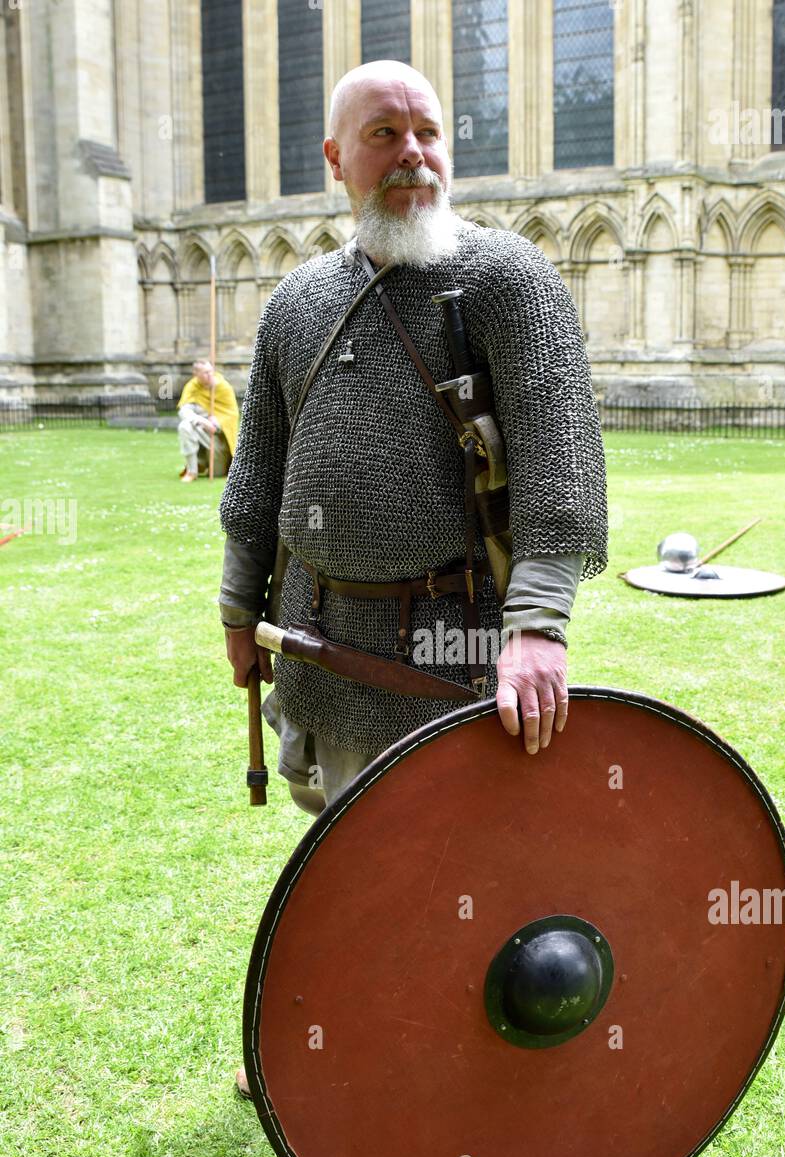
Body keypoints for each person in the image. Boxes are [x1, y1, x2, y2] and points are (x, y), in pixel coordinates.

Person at [218, 60, 609, 1099]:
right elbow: (259, 470)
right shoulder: (297, 303)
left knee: (466, 870)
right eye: (383, 135)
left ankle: (455, 1064)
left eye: (428, 131)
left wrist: (537, 623)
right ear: (337, 159)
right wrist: (235, 599)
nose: (414, 155)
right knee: (345, 857)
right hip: (322, 640)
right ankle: (338, 1036)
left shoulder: (505, 280)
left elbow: (561, 463)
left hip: (459, 647)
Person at [177, 360, 239, 481]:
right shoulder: (192, 386)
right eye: (205, 372)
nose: (210, 374)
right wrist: (202, 421)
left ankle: (206, 463)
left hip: (217, 438)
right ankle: (192, 471)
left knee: (217, 472)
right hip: (200, 429)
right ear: (196, 374)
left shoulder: (223, 387)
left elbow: (232, 414)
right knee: (185, 426)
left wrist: (216, 422)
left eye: (211, 371)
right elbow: (184, 410)